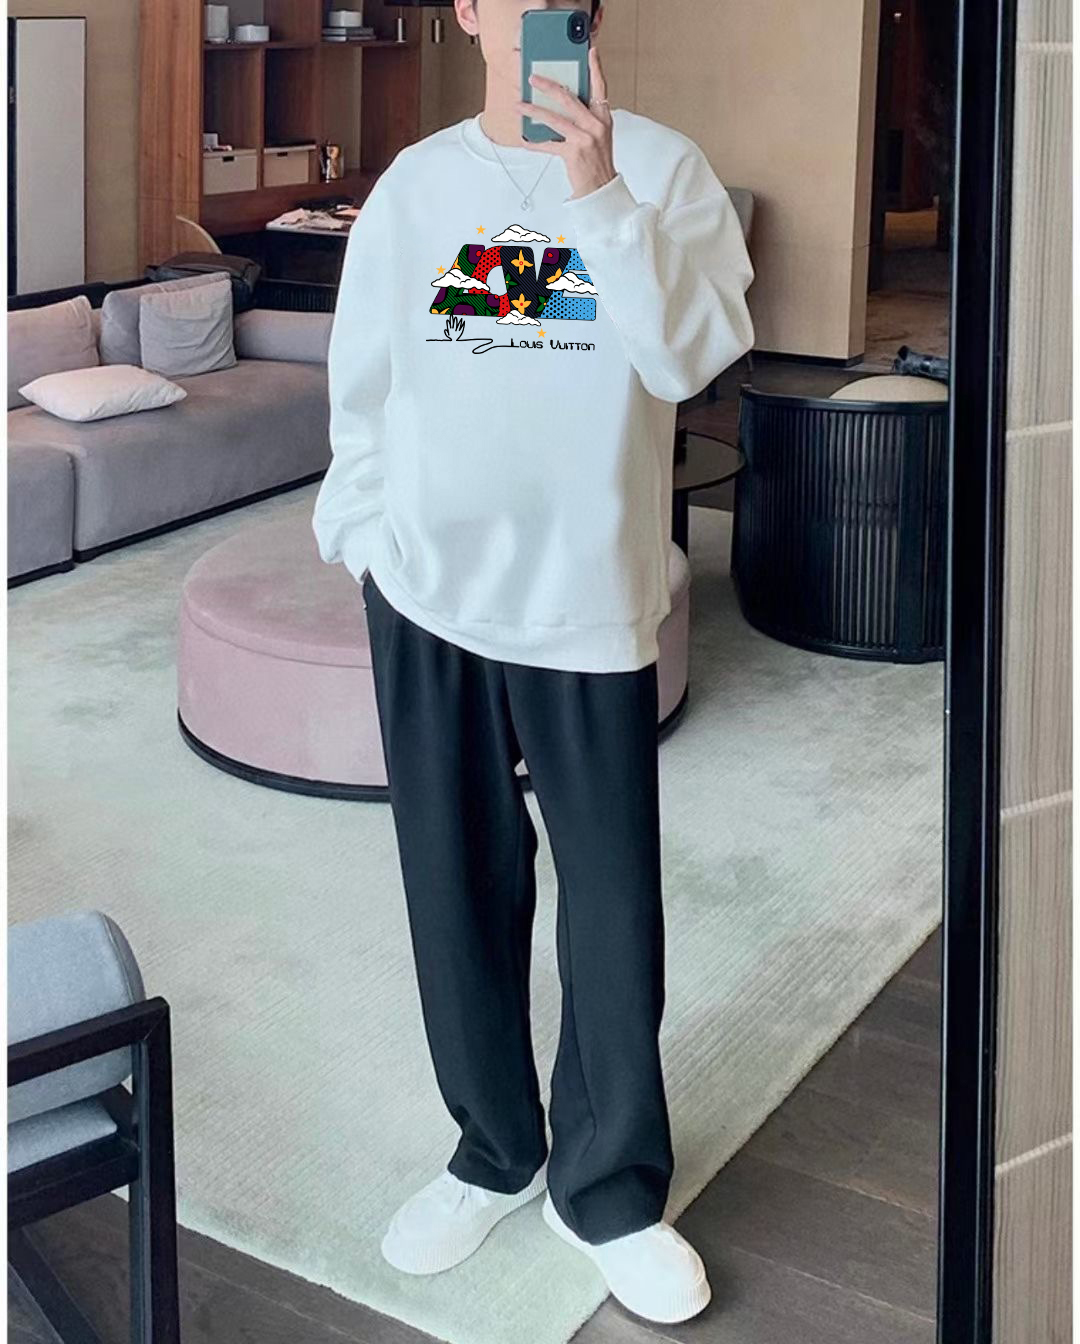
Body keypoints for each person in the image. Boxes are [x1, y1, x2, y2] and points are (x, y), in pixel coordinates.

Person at [312, 0, 754, 1324]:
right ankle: (495, 1149)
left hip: (585, 598)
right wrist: (362, 538)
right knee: (454, 882)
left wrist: (599, 194)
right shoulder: (415, 188)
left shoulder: (664, 169)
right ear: (467, 10)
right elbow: (364, 385)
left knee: (612, 902)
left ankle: (607, 1188)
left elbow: (688, 357)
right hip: (427, 593)